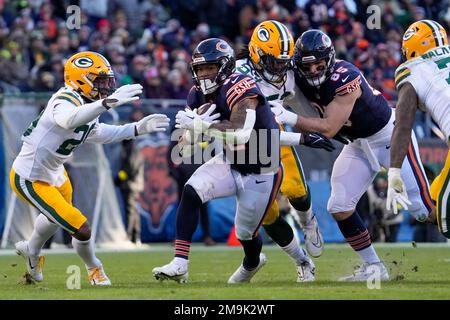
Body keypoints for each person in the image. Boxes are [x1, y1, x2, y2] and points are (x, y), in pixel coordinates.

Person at [271, 29, 434, 281]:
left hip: (390, 137)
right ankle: (375, 267)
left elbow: (329, 128)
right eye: (309, 65)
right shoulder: (294, 77)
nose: (314, 71)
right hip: (358, 144)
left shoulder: (345, 76)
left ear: (330, 60)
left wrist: (290, 117)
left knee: (424, 211)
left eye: (319, 64)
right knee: (339, 205)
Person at [11, 51, 170, 285]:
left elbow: (101, 133)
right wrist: (108, 102)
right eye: (99, 80)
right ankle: (95, 268)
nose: (105, 86)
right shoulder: (65, 98)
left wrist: (136, 128)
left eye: (107, 80)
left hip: (56, 174)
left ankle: (32, 252)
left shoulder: (88, 105)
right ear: (80, 79)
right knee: (81, 228)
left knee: (56, 218)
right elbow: (69, 119)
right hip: (29, 177)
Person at [153, 38, 288, 284]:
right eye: (200, 69)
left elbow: (241, 132)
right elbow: (183, 148)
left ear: (225, 67)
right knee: (192, 191)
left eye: (210, 68)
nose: (204, 74)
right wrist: (191, 135)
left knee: (245, 233)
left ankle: (254, 263)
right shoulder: (197, 94)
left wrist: (202, 125)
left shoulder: (241, 86)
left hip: (261, 168)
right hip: (231, 160)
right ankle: (180, 263)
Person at [234, 20, 334, 281]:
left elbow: (304, 104)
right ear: (257, 56)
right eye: (274, 62)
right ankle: (301, 261)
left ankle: (308, 222)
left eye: (284, 61)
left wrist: (321, 124)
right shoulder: (239, 75)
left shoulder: (289, 74)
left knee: (296, 189)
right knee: (266, 215)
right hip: (246, 147)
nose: (280, 68)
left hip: (277, 139)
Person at [387, 19, 450, 240]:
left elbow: (403, 125)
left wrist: (394, 170)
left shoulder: (413, 69)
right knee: (432, 201)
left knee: (446, 219)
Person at [115, 109, 145, 245]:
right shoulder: (131, 147)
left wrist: (119, 177)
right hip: (134, 183)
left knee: (130, 210)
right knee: (132, 209)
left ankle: (131, 236)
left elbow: (130, 167)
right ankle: (134, 236)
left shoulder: (131, 147)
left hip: (131, 184)